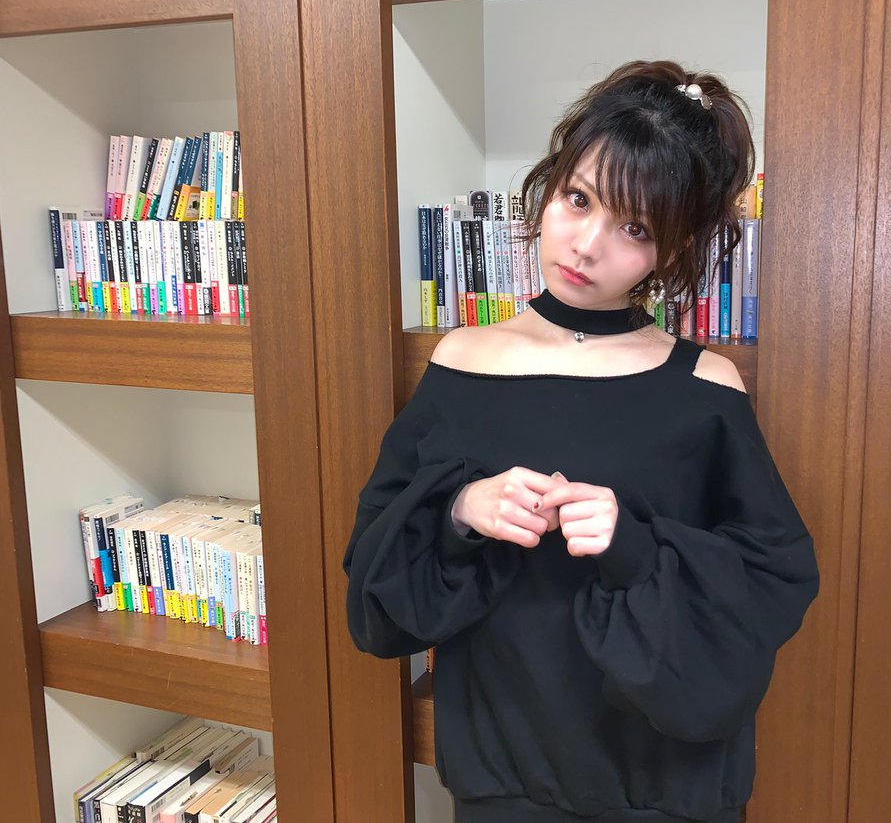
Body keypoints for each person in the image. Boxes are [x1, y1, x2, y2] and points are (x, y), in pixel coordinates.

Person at [343, 60, 820, 823]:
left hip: (664, 789)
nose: (587, 244)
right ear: (549, 186)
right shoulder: (462, 361)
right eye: (578, 199)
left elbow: (769, 586)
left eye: (635, 229)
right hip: (503, 782)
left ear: (672, 251)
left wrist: (635, 548)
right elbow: (375, 585)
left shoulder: (706, 387)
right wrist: (462, 510)